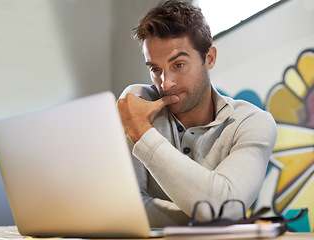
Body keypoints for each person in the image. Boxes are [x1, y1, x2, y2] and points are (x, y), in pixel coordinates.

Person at [117, 0, 277, 227]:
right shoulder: (137, 102)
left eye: (178, 64)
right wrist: (215, 217)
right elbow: (126, 207)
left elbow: (224, 209)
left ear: (209, 58)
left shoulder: (251, 122)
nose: (166, 82)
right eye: (155, 69)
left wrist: (142, 134)